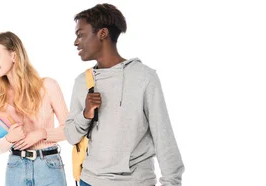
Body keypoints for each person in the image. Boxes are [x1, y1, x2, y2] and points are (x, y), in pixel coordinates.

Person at [65, 3, 185, 186]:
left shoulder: (144, 77)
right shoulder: (82, 82)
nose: (75, 42)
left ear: (102, 33)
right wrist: (86, 114)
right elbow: (71, 137)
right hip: (90, 181)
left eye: (80, 34)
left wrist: (171, 182)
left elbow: (163, 136)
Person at [0, 31, 70, 186]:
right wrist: (9, 139)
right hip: (16, 166)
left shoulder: (48, 86)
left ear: (13, 56)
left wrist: (41, 134)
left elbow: (70, 130)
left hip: (49, 166)